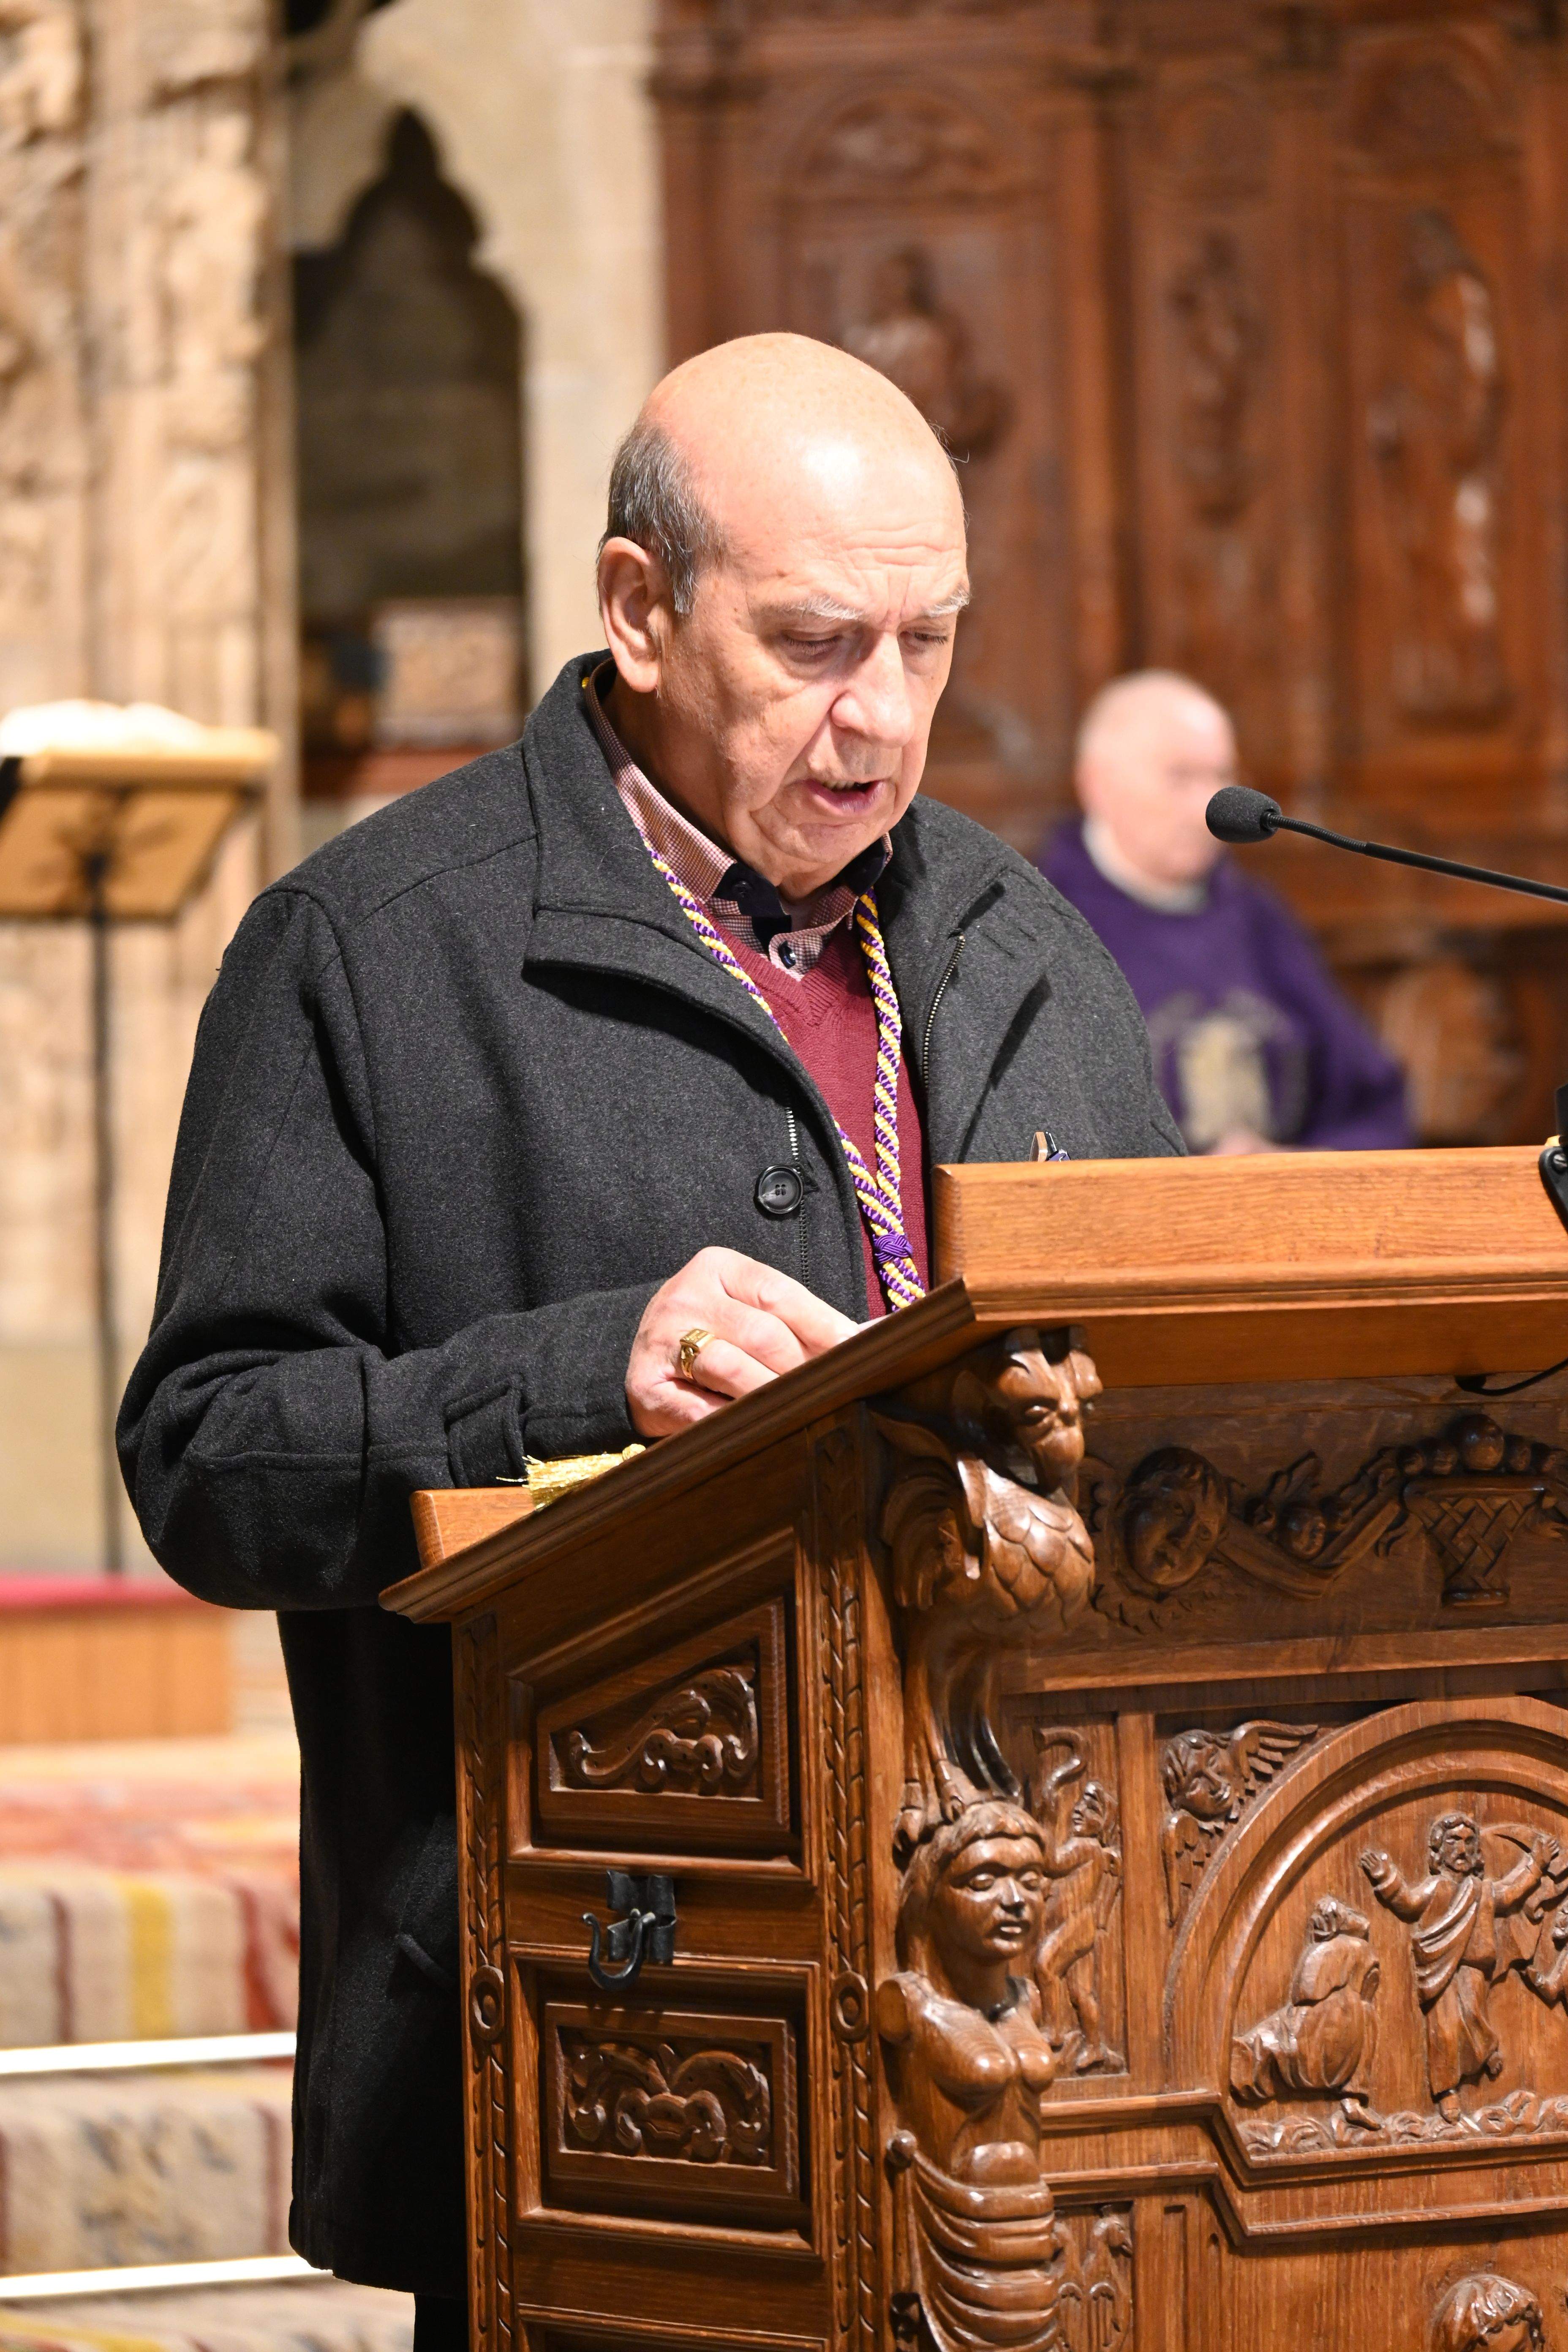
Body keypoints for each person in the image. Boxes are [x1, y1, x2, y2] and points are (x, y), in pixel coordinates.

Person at [117, 332, 1180, 2339]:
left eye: (928, 644)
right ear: (637, 605)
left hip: (1056, 2017)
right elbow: (211, 1457)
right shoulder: (371, 944)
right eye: (812, 641)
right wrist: (566, 1371)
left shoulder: (1020, 941)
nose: (880, 717)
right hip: (597, 2017)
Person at [1040, 670, 1411, 1154]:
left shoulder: (1258, 918)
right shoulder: (1039, 922)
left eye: (1220, 776)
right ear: (1096, 784)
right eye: (1180, 777)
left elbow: (1371, 1107)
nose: (1207, 805)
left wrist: (1287, 1169)